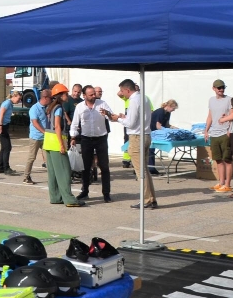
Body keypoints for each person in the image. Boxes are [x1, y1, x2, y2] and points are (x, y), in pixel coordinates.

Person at [111, 79, 156, 209]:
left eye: (122, 91)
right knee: (145, 170)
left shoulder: (134, 100)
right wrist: (123, 118)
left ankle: (147, 199)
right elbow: (136, 119)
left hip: (137, 137)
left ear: (128, 90)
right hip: (146, 135)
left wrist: (118, 119)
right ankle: (151, 198)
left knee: (140, 171)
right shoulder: (144, 98)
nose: (122, 94)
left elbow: (130, 123)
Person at [70, 85, 114, 203]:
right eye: (91, 94)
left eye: (94, 93)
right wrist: (73, 137)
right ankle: (85, 191)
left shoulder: (102, 103)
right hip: (86, 139)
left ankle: (106, 193)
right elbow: (74, 123)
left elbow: (112, 117)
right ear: (84, 96)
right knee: (86, 166)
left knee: (104, 166)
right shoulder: (79, 107)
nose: (94, 96)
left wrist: (107, 113)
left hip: (101, 138)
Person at [42, 84, 82, 207]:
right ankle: (69, 199)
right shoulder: (59, 108)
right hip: (56, 143)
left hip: (48, 143)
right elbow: (58, 126)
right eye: (66, 93)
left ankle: (55, 197)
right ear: (60, 95)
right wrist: (61, 144)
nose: (68, 95)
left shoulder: (51, 107)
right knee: (64, 172)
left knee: (53, 173)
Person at [204, 79, 233, 193]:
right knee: (218, 159)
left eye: (223, 87)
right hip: (214, 133)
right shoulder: (211, 100)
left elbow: (232, 115)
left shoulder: (229, 100)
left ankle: (227, 184)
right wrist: (206, 130)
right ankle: (221, 182)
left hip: (225, 132)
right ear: (214, 89)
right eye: (219, 88)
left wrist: (230, 130)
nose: (221, 89)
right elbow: (210, 116)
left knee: (227, 160)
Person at [22, 89, 51, 185]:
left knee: (49, 158)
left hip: (45, 138)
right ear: (45, 98)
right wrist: (44, 132)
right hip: (35, 137)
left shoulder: (47, 108)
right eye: (50, 98)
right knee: (32, 157)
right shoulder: (34, 108)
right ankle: (26, 177)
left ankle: (53, 177)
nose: (51, 100)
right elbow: (35, 123)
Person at [0, 91, 22, 176]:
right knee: (7, 147)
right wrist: (0, 125)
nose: (19, 101)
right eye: (18, 99)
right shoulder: (7, 103)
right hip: (1, 126)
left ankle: (0, 168)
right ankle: (6, 168)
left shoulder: (10, 103)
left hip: (4, 125)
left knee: (4, 147)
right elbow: (1, 114)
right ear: (14, 96)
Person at [147, 99, 178, 172]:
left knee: (152, 150)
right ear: (169, 106)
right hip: (152, 131)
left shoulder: (168, 113)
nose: (174, 110)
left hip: (156, 132)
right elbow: (158, 126)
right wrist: (166, 131)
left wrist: (175, 129)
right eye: (173, 108)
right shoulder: (160, 112)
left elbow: (166, 124)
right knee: (150, 150)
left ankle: (151, 168)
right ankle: (150, 168)